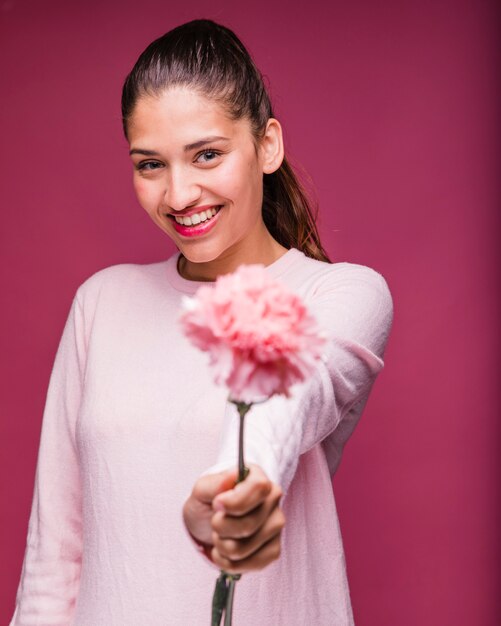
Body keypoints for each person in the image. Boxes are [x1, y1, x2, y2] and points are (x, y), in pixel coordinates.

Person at [9, 19, 393, 626]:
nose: (179, 194)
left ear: (266, 144)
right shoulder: (101, 304)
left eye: (207, 154)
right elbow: (55, 552)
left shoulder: (340, 294)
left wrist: (238, 487)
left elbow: (294, 394)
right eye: (150, 164)